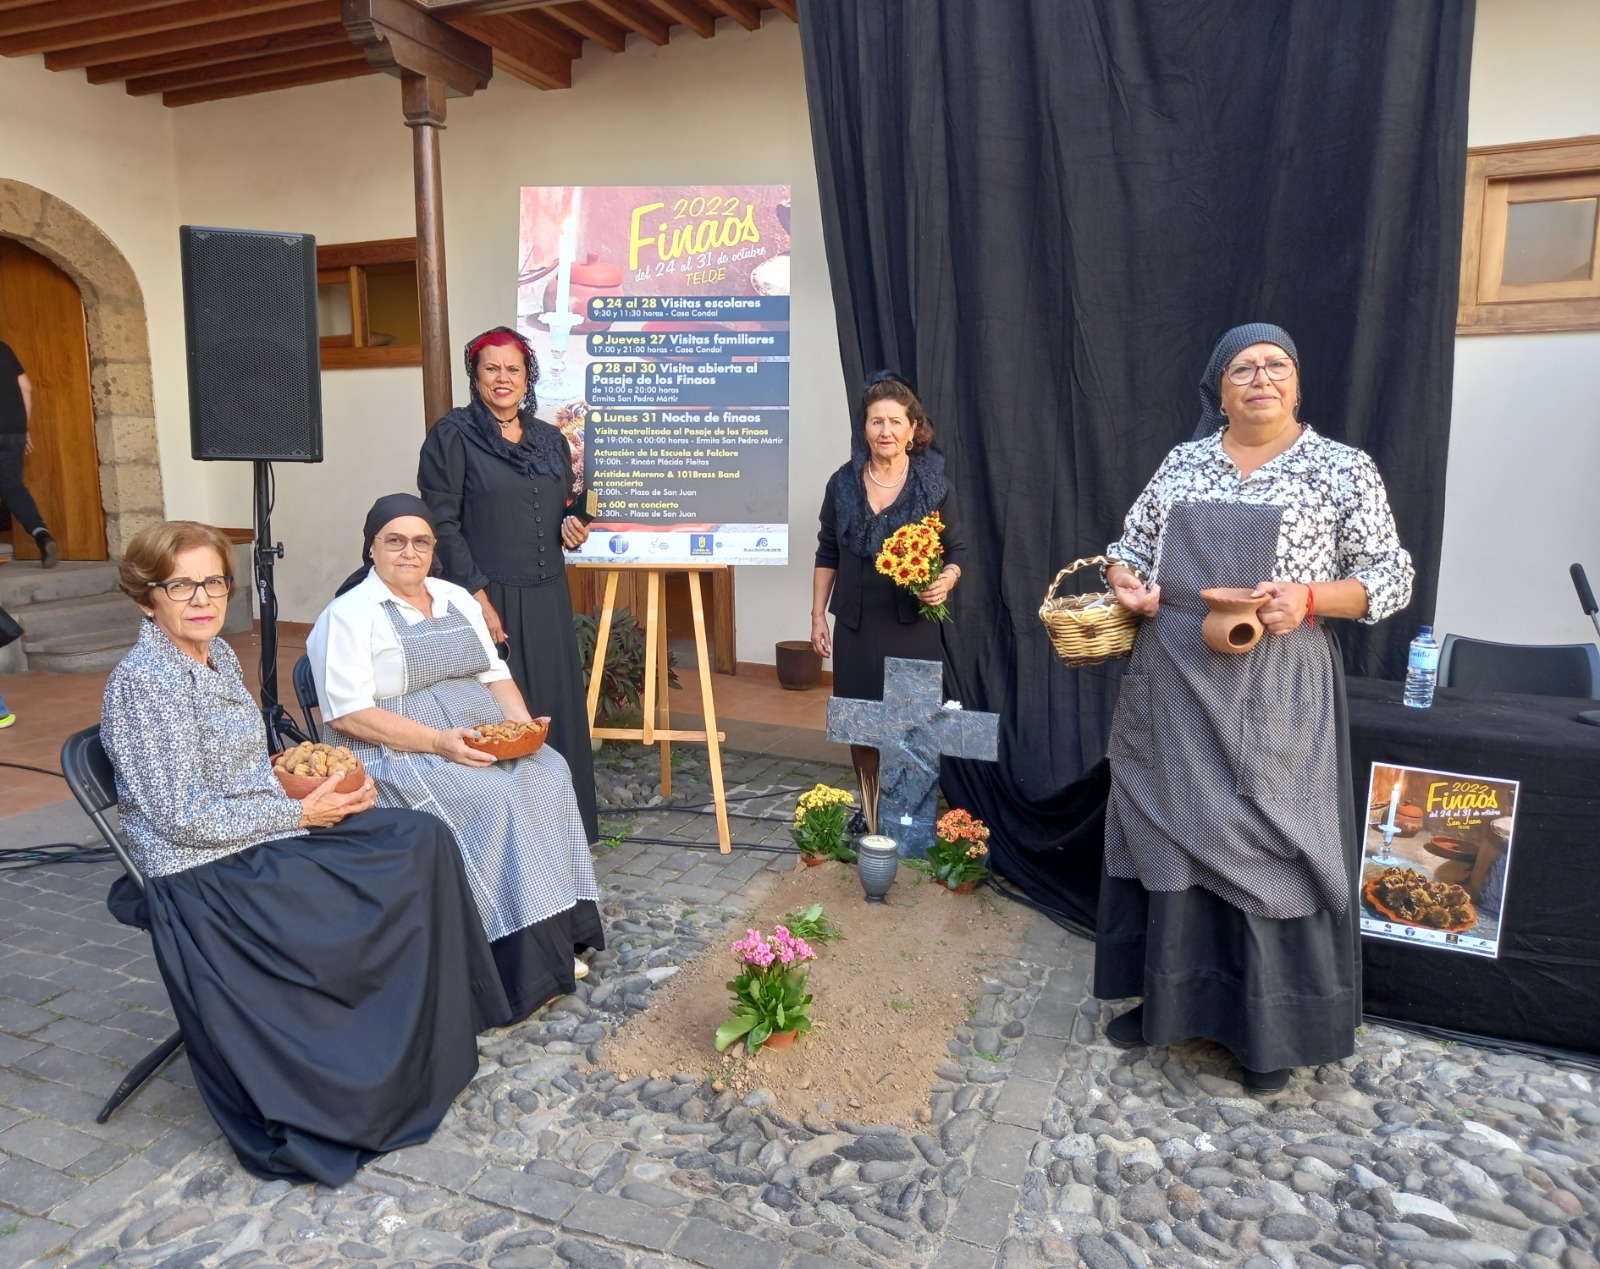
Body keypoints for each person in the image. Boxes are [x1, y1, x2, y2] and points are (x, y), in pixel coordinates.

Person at [100, 520, 511, 1186]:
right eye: (182, 585)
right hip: (204, 871)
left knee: (421, 838)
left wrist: (324, 782)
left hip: (257, 826)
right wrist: (301, 810)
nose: (202, 598)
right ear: (148, 598)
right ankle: (359, 1077)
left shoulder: (215, 655)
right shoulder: (147, 681)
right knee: (380, 875)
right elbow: (181, 817)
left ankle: (426, 1042)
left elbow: (238, 770)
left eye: (213, 581)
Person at [1094, 323, 1414, 1092]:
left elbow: (1391, 576)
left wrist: (1307, 597)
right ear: (1220, 387)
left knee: (1268, 839)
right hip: (1173, 678)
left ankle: (1265, 1028)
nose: (1261, 377)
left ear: (1297, 383)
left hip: (1277, 682)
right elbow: (1129, 546)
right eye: (1243, 368)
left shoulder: (1340, 468)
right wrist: (1125, 583)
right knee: (1169, 830)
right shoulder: (1184, 462)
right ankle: (1169, 1002)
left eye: (1277, 365)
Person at [308, 494, 604, 1018]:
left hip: (477, 730)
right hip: (398, 746)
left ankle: (562, 931)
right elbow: (348, 715)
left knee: (551, 771)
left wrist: (524, 730)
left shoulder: (455, 598)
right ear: (371, 547)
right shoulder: (349, 614)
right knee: (488, 795)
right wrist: (439, 741)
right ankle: (518, 960)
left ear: (433, 550)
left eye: (420, 542)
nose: (408, 552)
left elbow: (495, 676)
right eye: (394, 541)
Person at [418, 327, 600, 844]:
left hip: (547, 593)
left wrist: (574, 526)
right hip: (484, 594)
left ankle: (564, 826)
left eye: (513, 369)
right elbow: (442, 524)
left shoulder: (548, 440)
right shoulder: (451, 436)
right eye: (491, 368)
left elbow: (560, 508)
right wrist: (478, 600)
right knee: (500, 716)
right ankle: (510, 836)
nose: (503, 378)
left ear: (528, 377)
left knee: (553, 703)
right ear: (475, 376)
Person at [812, 372, 965, 823]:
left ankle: (909, 818)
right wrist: (818, 614)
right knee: (861, 724)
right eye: (876, 422)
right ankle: (872, 809)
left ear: (913, 429)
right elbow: (827, 549)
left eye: (896, 422)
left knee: (913, 728)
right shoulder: (841, 484)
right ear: (864, 428)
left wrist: (948, 578)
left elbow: (957, 550)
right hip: (857, 625)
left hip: (912, 627)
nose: (886, 431)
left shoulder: (933, 486)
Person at [0, 338, 60, 568]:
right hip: (13, 430)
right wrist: (24, 429)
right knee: (14, 487)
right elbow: (26, 386)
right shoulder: (4, 347)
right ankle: (41, 535)